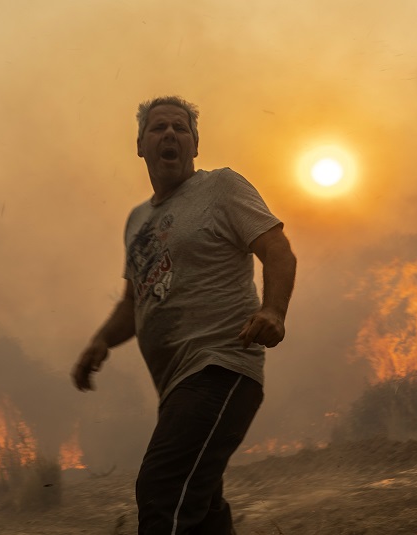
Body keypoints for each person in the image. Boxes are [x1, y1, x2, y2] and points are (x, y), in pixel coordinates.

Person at [71, 96, 297, 534]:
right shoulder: (137, 220)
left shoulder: (221, 188)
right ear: (140, 145)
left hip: (221, 366)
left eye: (181, 128)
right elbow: (133, 301)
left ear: (195, 143)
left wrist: (273, 310)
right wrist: (100, 340)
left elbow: (277, 250)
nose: (170, 135)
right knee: (201, 508)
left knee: (163, 491)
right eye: (158, 128)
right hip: (176, 387)